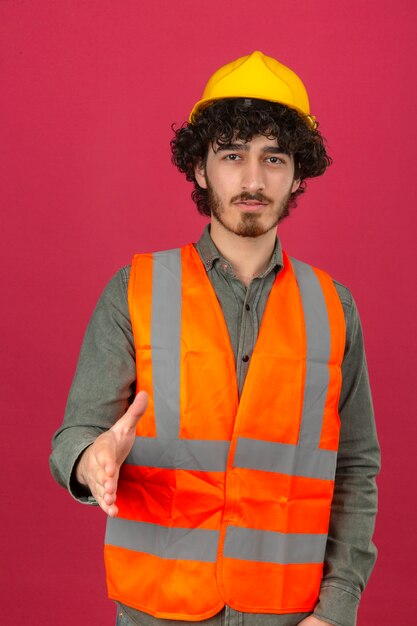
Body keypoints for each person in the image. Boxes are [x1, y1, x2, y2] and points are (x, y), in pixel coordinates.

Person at [50, 51, 380, 626]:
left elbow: (354, 469)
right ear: (201, 169)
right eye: (232, 155)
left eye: (273, 158)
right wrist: (91, 459)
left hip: (291, 615)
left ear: (298, 173)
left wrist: (336, 609)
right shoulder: (136, 290)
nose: (253, 180)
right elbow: (74, 435)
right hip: (158, 610)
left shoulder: (334, 308)